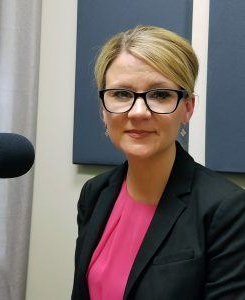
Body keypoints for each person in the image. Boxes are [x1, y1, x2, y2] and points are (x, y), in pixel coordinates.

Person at [71, 25, 245, 300]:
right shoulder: (94, 193)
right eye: (121, 94)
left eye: (160, 95)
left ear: (187, 108)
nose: (138, 112)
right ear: (104, 108)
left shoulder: (227, 210)